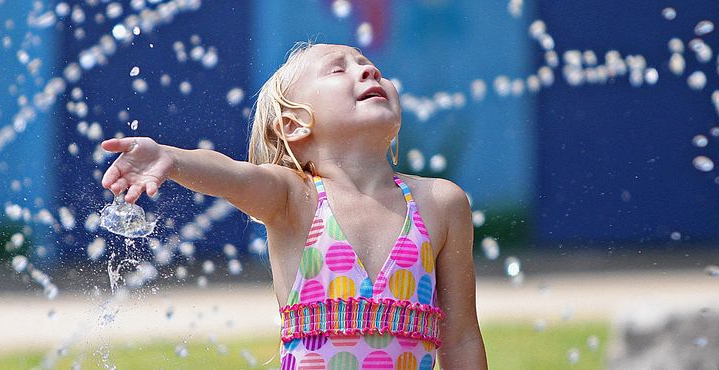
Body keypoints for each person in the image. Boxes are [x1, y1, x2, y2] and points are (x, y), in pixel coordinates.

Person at [101, 42, 487, 369]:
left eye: (372, 68)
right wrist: (172, 158)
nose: (369, 73)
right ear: (293, 125)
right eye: (338, 70)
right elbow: (233, 175)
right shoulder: (295, 198)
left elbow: (462, 337)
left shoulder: (440, 203)